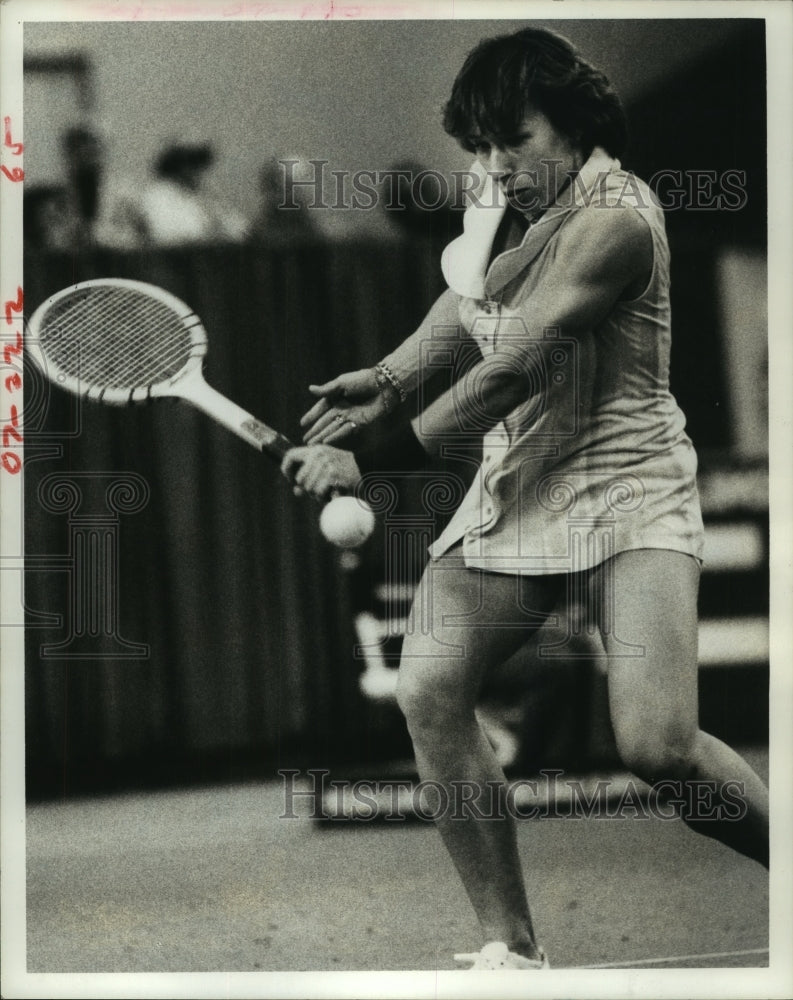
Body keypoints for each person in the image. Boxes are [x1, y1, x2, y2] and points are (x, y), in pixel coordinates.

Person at [281, 27, 769, 971]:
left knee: (659, 747)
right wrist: (388, 376)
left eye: (516, 140)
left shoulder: (616, 219)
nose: (497, 166)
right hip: (521, 481)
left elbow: (509, 367)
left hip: (627, 483)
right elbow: (470, 300)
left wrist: (371, 464)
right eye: (480, 146)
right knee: (428, 690)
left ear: (574, 126)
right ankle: (511, 950)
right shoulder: (502, 195)